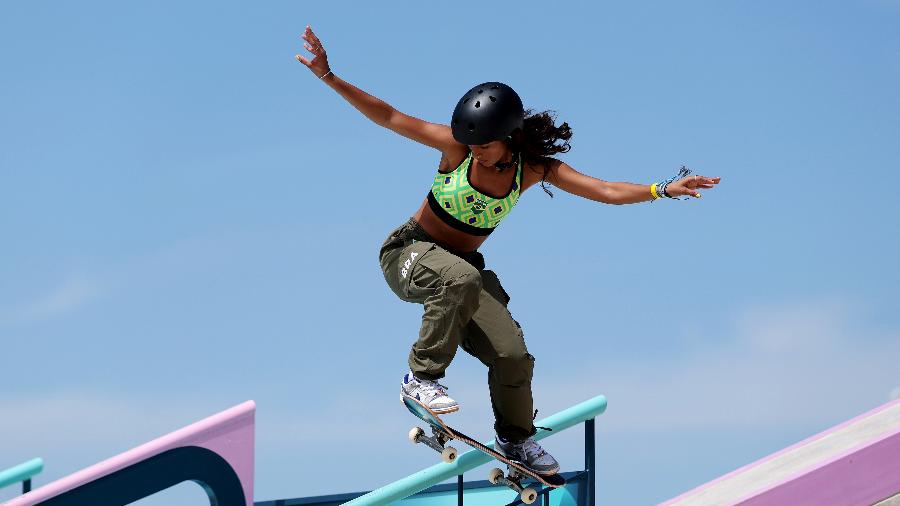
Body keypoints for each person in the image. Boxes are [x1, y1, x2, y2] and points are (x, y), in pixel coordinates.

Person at [296, 25, 720, 475]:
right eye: (471, 144)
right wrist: (330, 77)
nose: (475, 153)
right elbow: (389, 116)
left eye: (484, 145)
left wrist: (663, 189)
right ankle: (421, 378)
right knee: (461, 277)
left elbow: (605, 190)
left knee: (512, 355)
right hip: (408, 254)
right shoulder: (455, 150)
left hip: (462, 271)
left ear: (509, 137)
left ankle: (517, 441)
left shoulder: (533, 170)